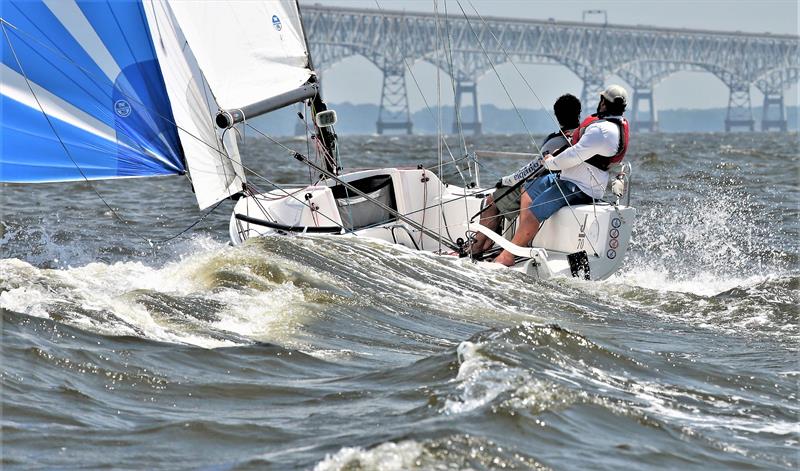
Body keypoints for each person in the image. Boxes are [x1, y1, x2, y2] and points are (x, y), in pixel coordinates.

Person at [493, 84, 631, 266]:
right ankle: (523, 242)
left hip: (581, 187)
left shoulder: (603, 130)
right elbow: (575, 150)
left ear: (604, 103)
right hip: (567, 178)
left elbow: (574, 156)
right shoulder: (606, 125)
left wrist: (551, 161)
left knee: (535, 212)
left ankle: (508, 256)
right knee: (529, 189)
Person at [470, 93, 582, 255]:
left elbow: (532, 169)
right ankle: (488, 243)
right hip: (574, 187)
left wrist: (506, 181)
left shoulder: (555, 141)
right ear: (579, 113)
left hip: (544, 186)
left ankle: (476, 248)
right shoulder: (585, 138)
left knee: (492, 201)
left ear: (557, 116)